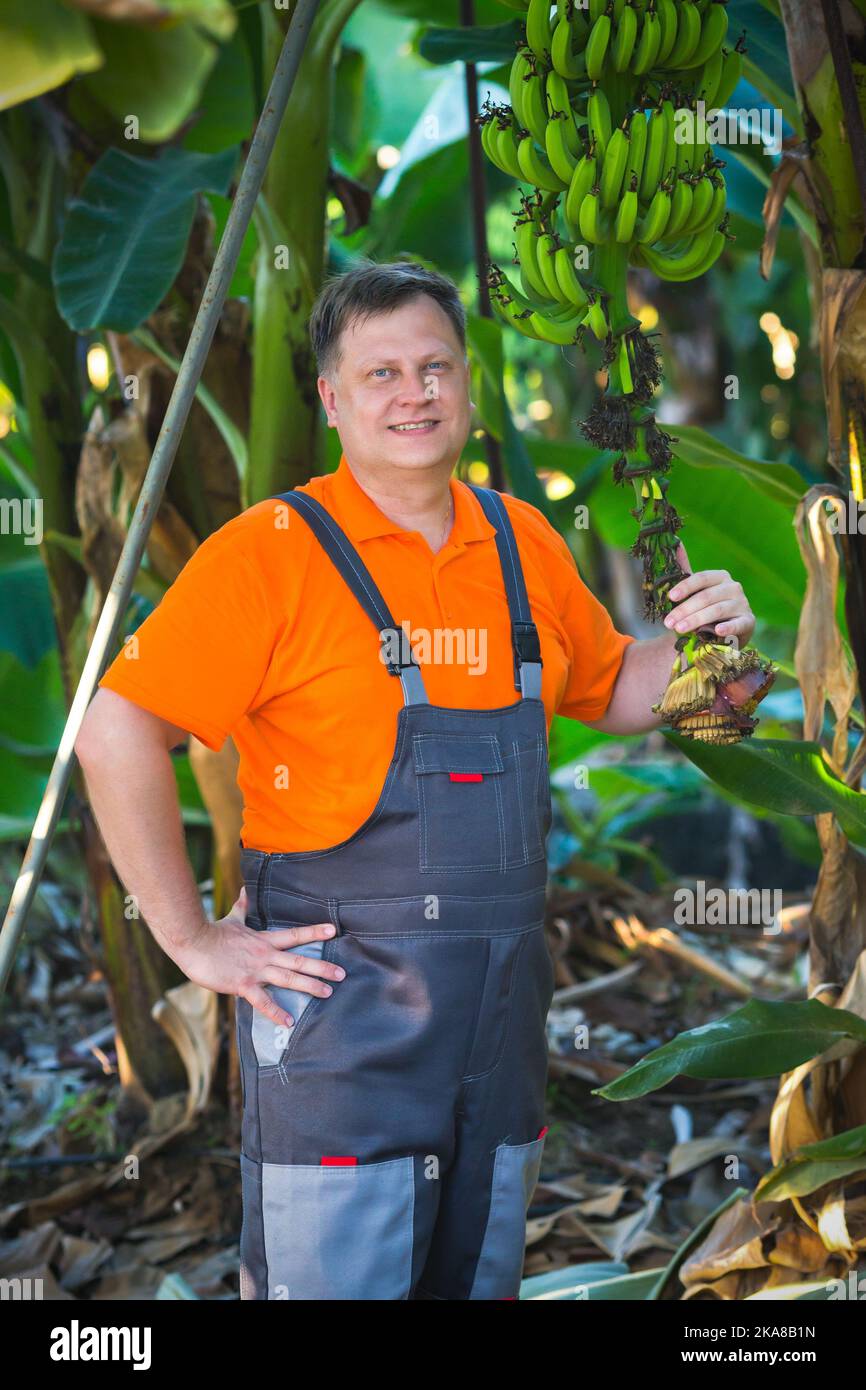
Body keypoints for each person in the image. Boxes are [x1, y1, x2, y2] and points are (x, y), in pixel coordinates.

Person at [75, 259, 755, 1300]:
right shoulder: (273, 553)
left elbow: (616, 684)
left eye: (434, 365)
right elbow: (116, 725)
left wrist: (711, 653)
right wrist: (189, 939)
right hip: (341, 1012)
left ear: (467, 387)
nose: (414, 392)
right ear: (332, 399)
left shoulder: (517, 540)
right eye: (382, 372)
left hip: (499, 1015)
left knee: (472, 1276)